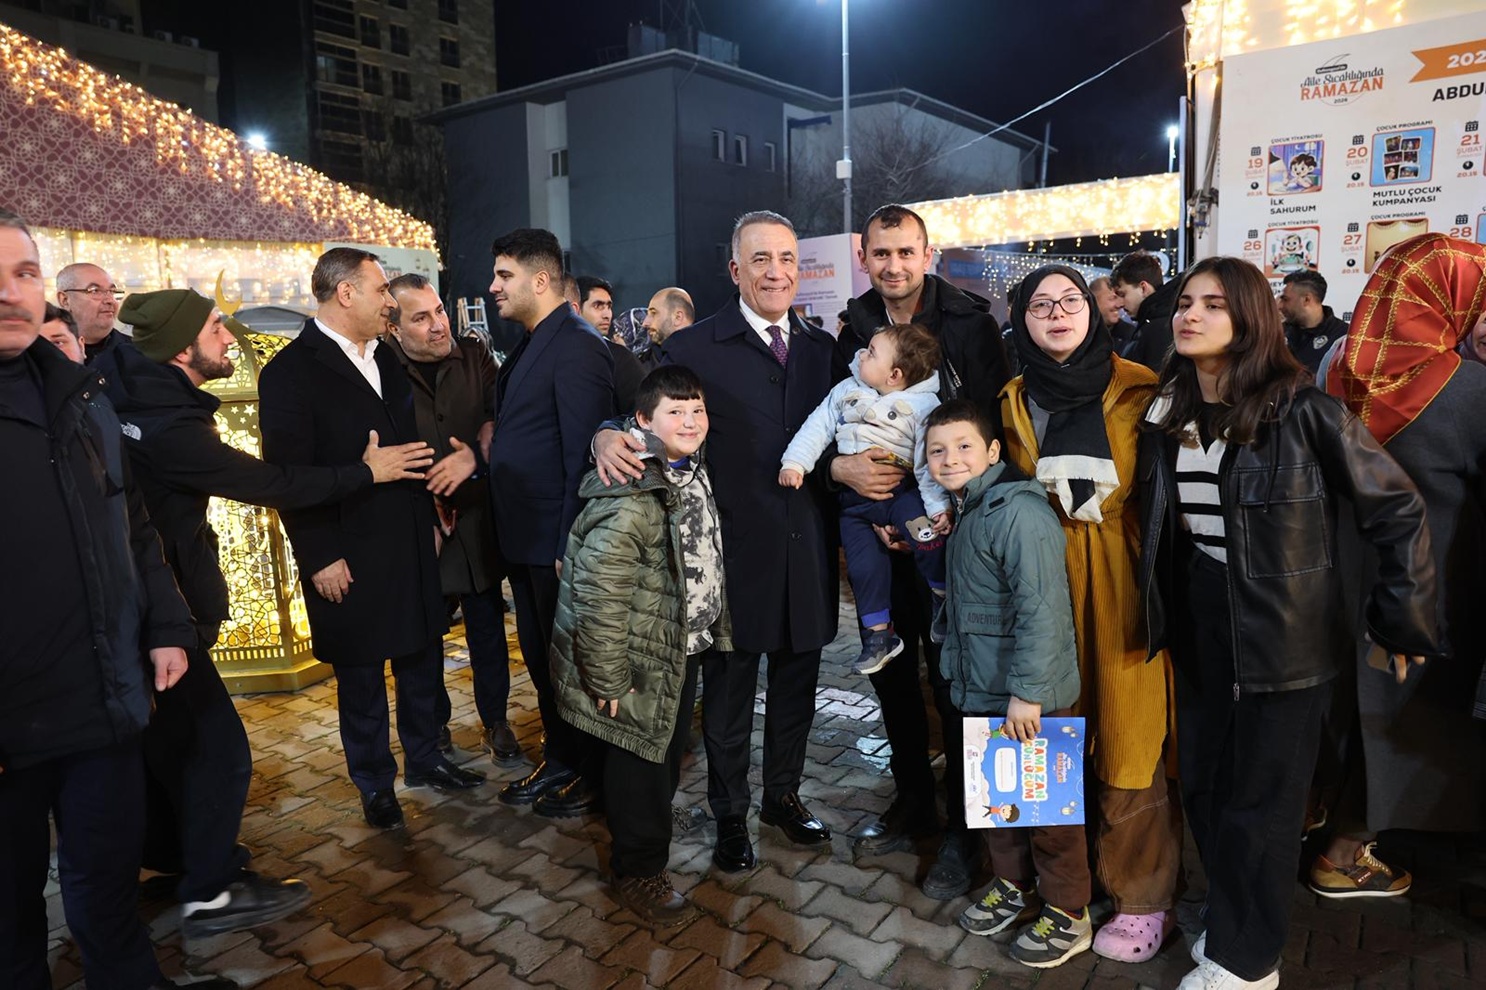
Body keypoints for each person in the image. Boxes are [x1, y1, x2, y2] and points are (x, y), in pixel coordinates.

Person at [93, 288, 434, 936]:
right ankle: (208, 889)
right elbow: (270, 482)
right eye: (216, 328)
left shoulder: (143, 401)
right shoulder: (169, 425)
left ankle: (175, 864)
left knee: (167, 745)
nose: (228, 337)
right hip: (153, 609)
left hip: (153, 602)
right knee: (220, 751)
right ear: (180, 348)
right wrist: (366, 473)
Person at [1139, 256, 1438, 990]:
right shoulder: (1171, 409)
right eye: (1185, 301)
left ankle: (1250, 962)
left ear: (1250, 318)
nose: (1191, 314)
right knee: (1206, 787)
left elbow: (1396, 509)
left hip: (1287, 635)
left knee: (1264, 807)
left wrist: (1400, 619)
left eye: (1213, 303)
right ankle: (1236, 920)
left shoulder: (1304, 410)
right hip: (1204, 619)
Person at [0, 208, 233, 990]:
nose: (11, 293)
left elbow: (130, 524)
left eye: (23, 273)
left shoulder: (82, 396)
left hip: (102, 702)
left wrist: (166, 625)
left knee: (106, 888)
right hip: (10, 723)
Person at [594, 210, 844, 872]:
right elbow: (643, 418)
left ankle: (782, 796)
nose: (776, 271)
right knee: (730, 702)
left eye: (786, 258)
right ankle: (731, 814)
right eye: (760, 259)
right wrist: (605, 434)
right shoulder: (695, 347)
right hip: (730, 559)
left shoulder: (823, 351)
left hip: (807, 551)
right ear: (735, 270)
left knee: (797, 688)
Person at [259, 248, 483, 831]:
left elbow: (406, 447)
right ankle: (374, 784)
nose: (390, 300)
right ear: (345, 294)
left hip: (408, 536)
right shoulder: (288, 372)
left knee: (419, 657)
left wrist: (432, 515)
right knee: (360, 677)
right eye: (381, 289)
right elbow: (287, 475)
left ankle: (426, 760)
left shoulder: (386, 357)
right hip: (346, 547)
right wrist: (319, 555)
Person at [996, 264, 1183, 962]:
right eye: (1039, 304)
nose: (1056, 312)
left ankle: (1142, 896)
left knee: (1131, 736)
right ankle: (1066, 888)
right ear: (1021, 318)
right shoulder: (1012, 397)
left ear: (1095, 308)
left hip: (1124, 580)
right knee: (1050, 732)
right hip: (1044, 584)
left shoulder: (1141, 385)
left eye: (1069, 299)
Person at [833, 203, 1011, 889]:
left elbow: (991, 430)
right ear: (865, 257)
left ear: (925, 253)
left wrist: (942, 509)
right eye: (881, 254)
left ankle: (970, 829)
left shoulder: (968, 322)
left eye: (905, 252)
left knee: (955, 677)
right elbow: (835, 420)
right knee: (892, 674)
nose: (894, 265)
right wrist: (843, 475)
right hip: (877, 532)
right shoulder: (852, 328)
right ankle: (912, 801)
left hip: (950, 532)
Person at [1317, 234, 1486, 894]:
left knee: (1348, 712)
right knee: (1406, 720)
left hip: (1340, 575)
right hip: (1431, 584)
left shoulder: (1336, 363)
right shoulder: (1469, 390)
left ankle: (1332, 828)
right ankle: (1345, 853)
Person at [551, 365, 727, 927]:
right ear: (642, 421)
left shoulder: (688, 465)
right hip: (636, 656)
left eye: (697, 409)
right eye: (675, 411)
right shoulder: (629, 490)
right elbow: (598, 592)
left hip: (678, 644)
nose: (691, 420)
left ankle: (644, 838)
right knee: (640, 762)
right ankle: (639, 871)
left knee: (662, 752)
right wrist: (606, 675)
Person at [921, 400, 1092, 969]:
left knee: (1048, 813)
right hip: (982, 689)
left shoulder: (1018, 512)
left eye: (964, 446)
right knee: (1000, 804)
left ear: (993, 451)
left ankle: (1069, 914)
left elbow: (1043, 609)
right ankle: (1014, 888)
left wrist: (1029, 692)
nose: (950, 459)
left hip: (1026, 697)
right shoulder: (971, 508)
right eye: (938, 449)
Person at [487, 230, 616, 818]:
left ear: (541, 280)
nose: (493, 287)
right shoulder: (535, 340)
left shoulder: (578, 344)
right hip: (526, 540)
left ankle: (590, 771)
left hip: (556, 540)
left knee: (570, 664)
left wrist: (572, 539)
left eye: (503, 275)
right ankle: (562, 758)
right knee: (543, 661)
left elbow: (582, 455)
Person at [385, 273, 522, 768]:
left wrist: (482, 447)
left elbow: (499, 416)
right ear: (394, 328)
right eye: (420, 318)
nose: (437, 325)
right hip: (421, 526)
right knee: (422, 639)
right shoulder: (382, 369)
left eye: (439, 311)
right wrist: (425, 502)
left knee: (487, 628)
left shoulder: (475, 355)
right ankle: (433, 729)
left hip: (477, 519)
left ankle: (498, 720)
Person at [779, 322, 948, 674]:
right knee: (862, 569)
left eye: (871, 353)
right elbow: (818, 425)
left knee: (927, 539)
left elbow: (926, 461)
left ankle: (943, 595)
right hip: (855, 507)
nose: (860, 354)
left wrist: (938, 507)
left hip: (903, 497)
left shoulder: (923, 406)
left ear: (894, 375)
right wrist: (796, 461)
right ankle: (878, 634)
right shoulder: (846, 390)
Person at [562, 273, 642, 414]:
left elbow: (641, 412)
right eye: (598, 306)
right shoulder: (558, 353)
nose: (607, 314)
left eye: (609, 306)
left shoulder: (621, 358)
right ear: (576, 309)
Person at [1109, 250, 1178, 372]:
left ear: (1143, 288)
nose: (1119, 304)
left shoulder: (1159, 328)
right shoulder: (1152, 322)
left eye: (1122, 294)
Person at [1276, 270, 1348, 376]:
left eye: (1285, 299)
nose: (1280, 306)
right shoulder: (1277, 333)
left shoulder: (1344, 336)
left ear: (1306, 299)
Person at [56, 261, 126, 360]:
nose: (110, 300)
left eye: (112, 291)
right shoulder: (43, 353)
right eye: (95, 291)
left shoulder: (138, 352)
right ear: (65, 300)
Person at [639, 286, 695, 371]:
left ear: (678, 317)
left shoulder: (710, 357)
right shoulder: (640, 366)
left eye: (654, 313)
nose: (645, 323)